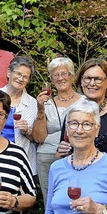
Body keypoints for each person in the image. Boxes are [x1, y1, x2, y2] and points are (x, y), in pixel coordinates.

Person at [57, 58, 107, 162]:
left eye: (98, 79)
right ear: (81, 81)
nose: (92, 83)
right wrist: (62, 152)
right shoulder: (73, 112)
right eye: (87, 78)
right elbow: (59, 155)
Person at [31, 57, 84, 202]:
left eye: (64, 74)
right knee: (50, 200)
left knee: (74, 198)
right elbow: (39, 138)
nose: (60, 78)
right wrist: (40, 110)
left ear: (72, 76)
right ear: (51, 80)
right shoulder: (46, 103)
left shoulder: (84, 102)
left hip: (74, 156)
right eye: (55, 75)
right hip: (47, 157)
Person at [0, 55, 39, 176]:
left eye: (25, 77)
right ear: (9, 73)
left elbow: (37, 139)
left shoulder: (32, 103)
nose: (21, 79)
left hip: (20, 160)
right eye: (18, 74)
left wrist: (27, 131)